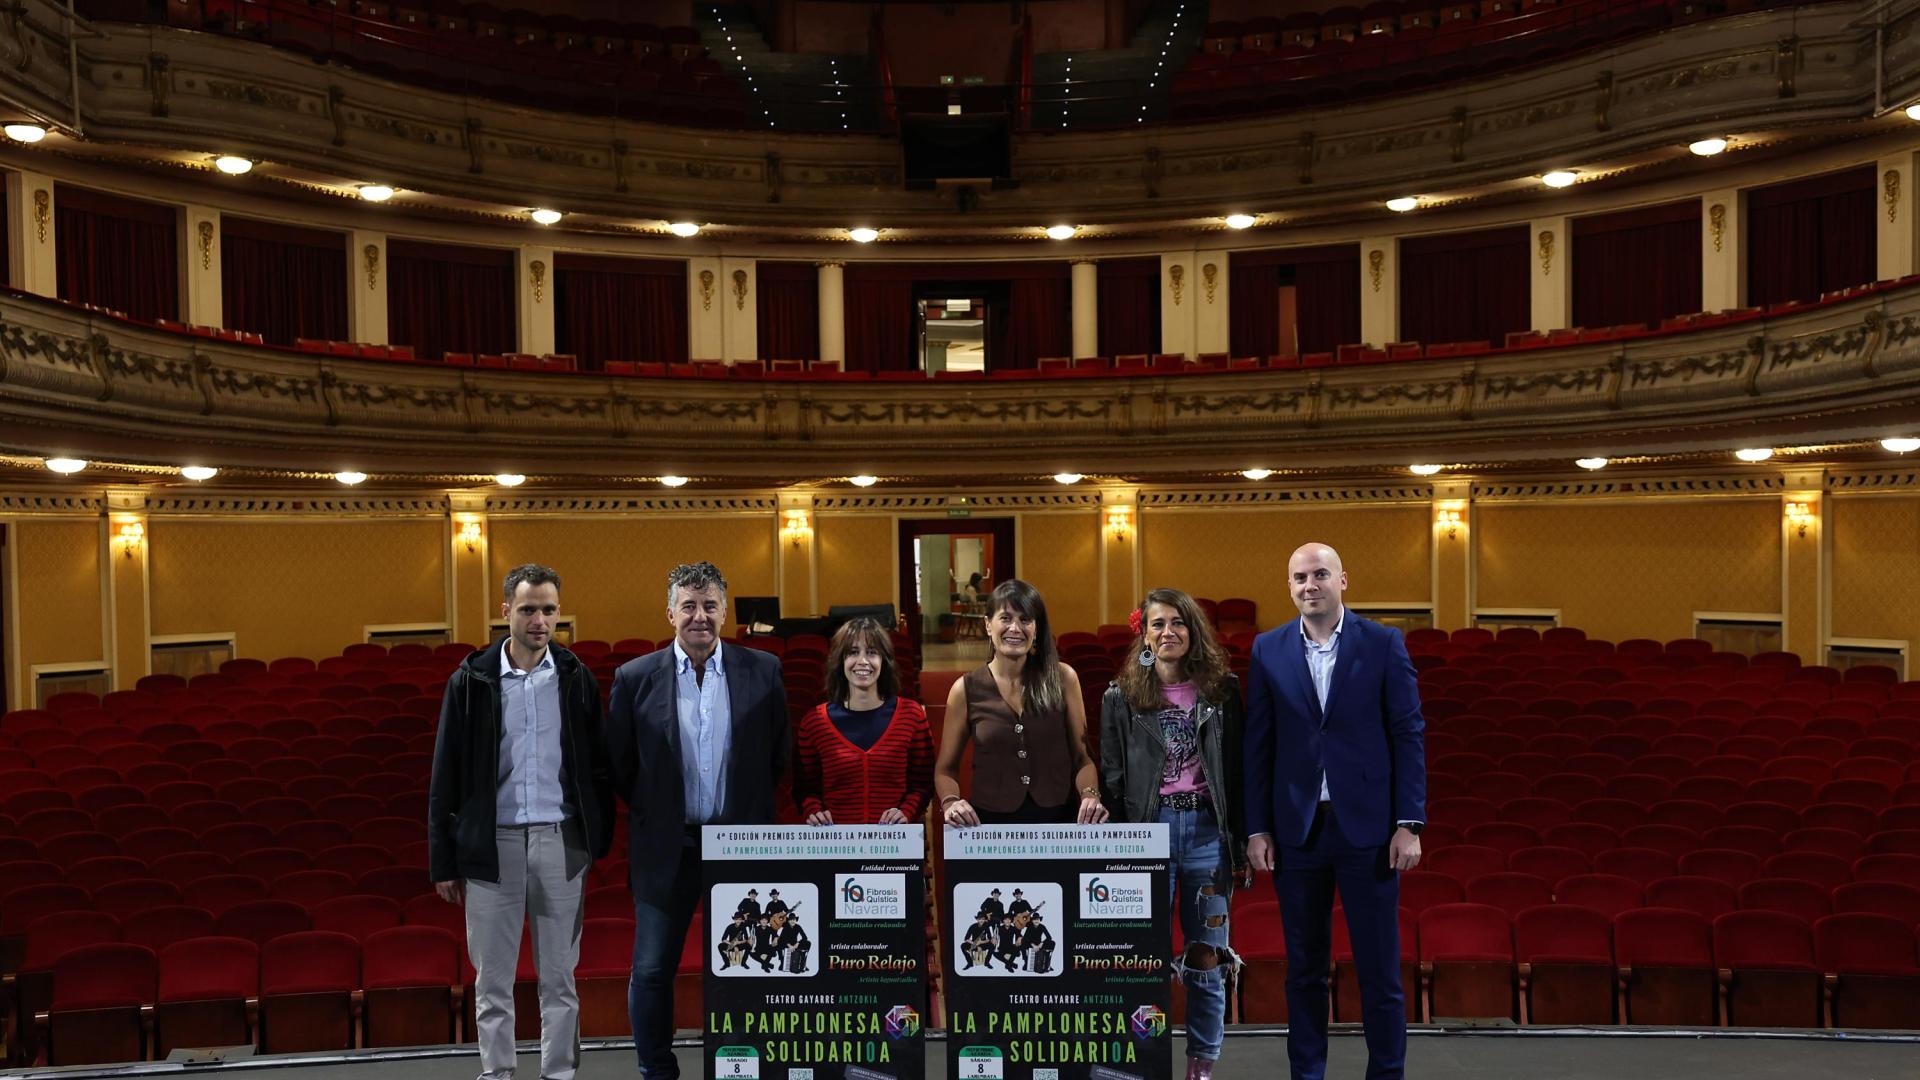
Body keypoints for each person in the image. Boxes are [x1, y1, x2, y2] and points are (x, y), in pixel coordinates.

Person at [1244, 544, 1426, 1080]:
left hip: (1369, 830)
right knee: (1303, 972)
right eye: (1299, 577)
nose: (1309, 585)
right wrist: (1258, 827)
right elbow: (1259, 745)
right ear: (1290, 586)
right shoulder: (1267, 649)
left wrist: (1409, 822)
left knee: (1379, 972)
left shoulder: (1383, 643)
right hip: (1298, 833)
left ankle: (1386, 1074)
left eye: (1320, 574)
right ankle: (1307, 1075)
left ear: (1343, 579)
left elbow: (1408, 733)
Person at [428, 563, 614, 1080]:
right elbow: (445, 777)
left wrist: (595, 840)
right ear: (505, 611)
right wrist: (444, 859)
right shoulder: (470, 680)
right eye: (529, 609)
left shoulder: (576, 678)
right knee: (492, 984)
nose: (539, 620)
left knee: (560, 980)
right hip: (494, 847)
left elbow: (597, 767)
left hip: (560, 842)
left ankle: (559, 1074)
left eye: (549, 610)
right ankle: (498, 1075)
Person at [606, 561, 789, 1080]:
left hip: (740, 845)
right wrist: (659, 808)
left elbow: (777, 759)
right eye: (689, 606)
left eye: (710, 606)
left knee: (746, 967)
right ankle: (657, 1070)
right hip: (668, 847)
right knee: (651, 969)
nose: (700, 616)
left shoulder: (763, 671)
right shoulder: (635, 679)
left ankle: (741, 1067)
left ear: (725, 611)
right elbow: (619, 768)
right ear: (670, 613)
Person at [1100, 587, 1246, 1080]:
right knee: (1143, 960)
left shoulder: (1222, 692)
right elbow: (1114, 779)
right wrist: (1121, 848)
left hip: (1207, 834)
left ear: (1193, 631)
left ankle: (1201, 1066)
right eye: (1158, 624)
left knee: (1206, 959)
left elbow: (1237, 771)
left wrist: (1240, 841)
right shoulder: (1120, 698)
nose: (1169, 632)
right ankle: (1145, 1062)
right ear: (1144, 633)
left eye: (1178, 623)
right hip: (1148, 834)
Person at [935, 579, 1108, 826]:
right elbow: (945, 769)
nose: (1015, 628)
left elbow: (1083, 758)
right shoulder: (964, 689)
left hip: (1058, 821)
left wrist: (1090, 795)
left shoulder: (1064, 678)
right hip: (990, 825)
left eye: (1025, 620)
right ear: (987, 625)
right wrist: (951, 801)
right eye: (1005, 618)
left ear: (1036, 629)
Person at [793, 617, 935, 825]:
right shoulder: (814, 722)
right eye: (852, 652)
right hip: (837, 847)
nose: (862, 661)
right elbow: (805, 789)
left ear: (884, 661)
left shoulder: (911, 716)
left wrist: (905, 812)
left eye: (871, 652)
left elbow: (923, 784)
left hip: (896, 846)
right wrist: (814, 811)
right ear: (840, 661)